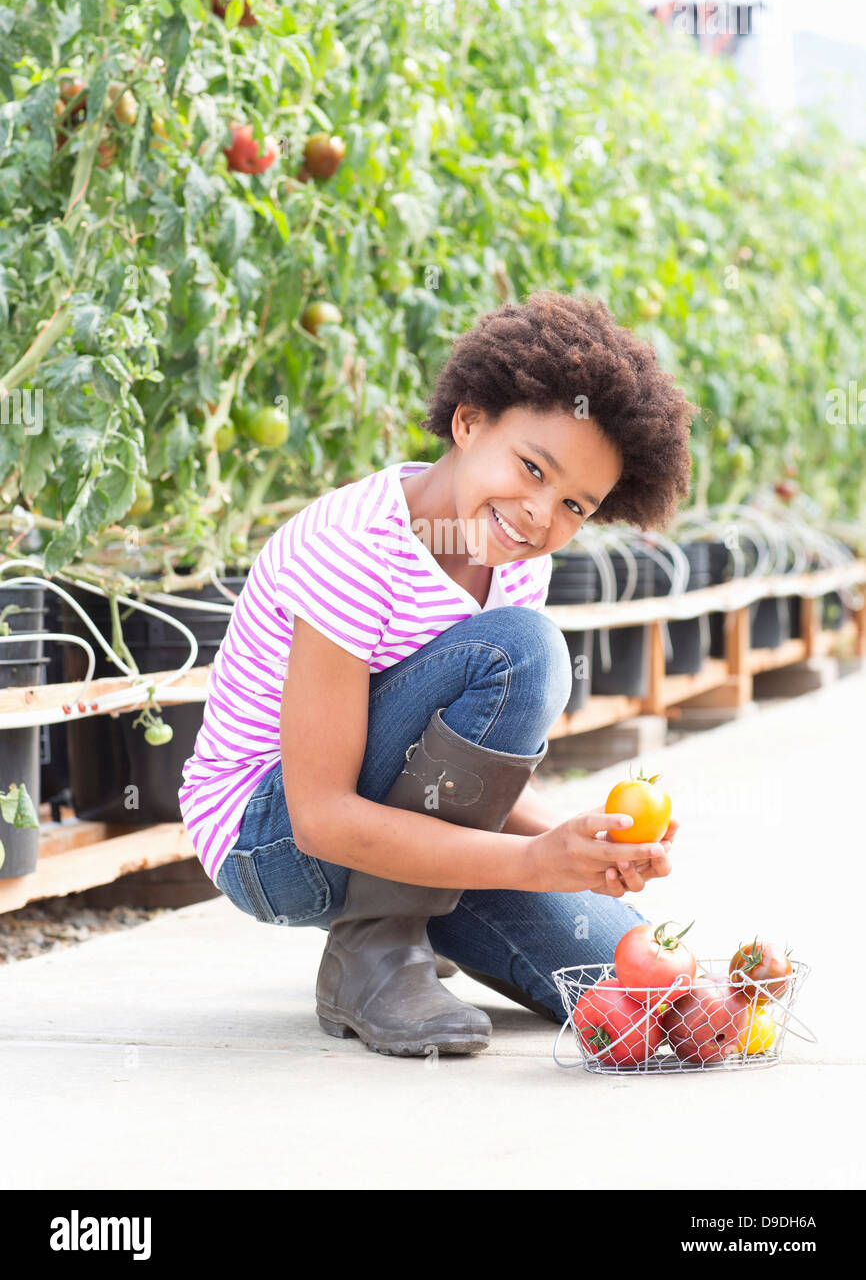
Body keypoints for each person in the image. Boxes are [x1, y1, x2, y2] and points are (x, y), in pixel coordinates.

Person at [178, 289, 697, 1057]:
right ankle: (374, 951)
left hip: (387, 820)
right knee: (523, 650)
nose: (537, 514)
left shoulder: (514, 562)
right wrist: (526, 861)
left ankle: (402, 927)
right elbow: (320, 814)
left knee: (632, 987)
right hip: (276, 842)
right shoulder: (353, 546)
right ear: (467, 420)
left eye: (574, 505)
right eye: (530, 467)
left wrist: (569, 844)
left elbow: (467, 767)